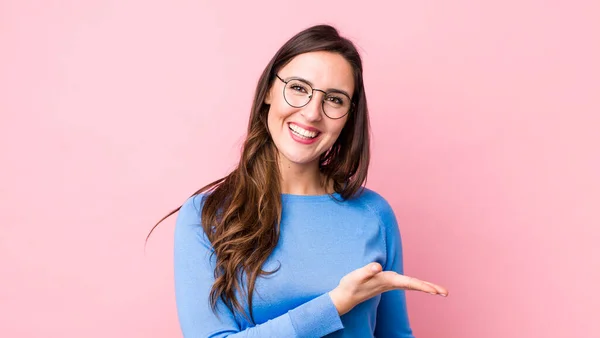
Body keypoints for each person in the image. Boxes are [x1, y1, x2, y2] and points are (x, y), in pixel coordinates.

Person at [148, 24, 448, 337]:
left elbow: (395, 335)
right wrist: (334, 305)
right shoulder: (206, 213)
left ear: (348, 117)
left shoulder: (374, 214)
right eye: (298, 88)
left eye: (334, 99)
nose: (311, 113)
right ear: (268, 91)